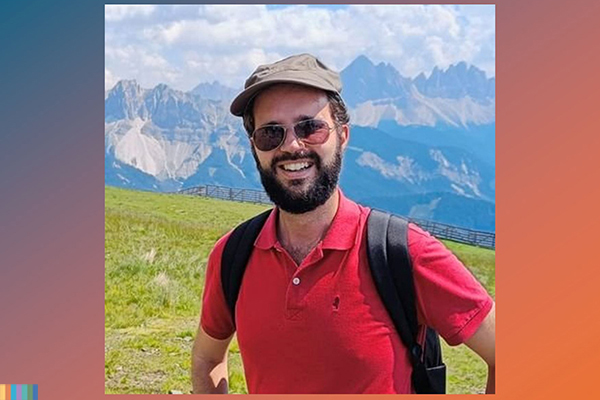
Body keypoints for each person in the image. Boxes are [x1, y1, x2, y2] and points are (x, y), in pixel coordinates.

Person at [191, 53, 495, 394]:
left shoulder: (405, 252)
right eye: (270, 134)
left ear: (343, 135)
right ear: (254, 148)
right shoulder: (233, 254)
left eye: (311, 128)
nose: (292, 145)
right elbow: (207, 358)